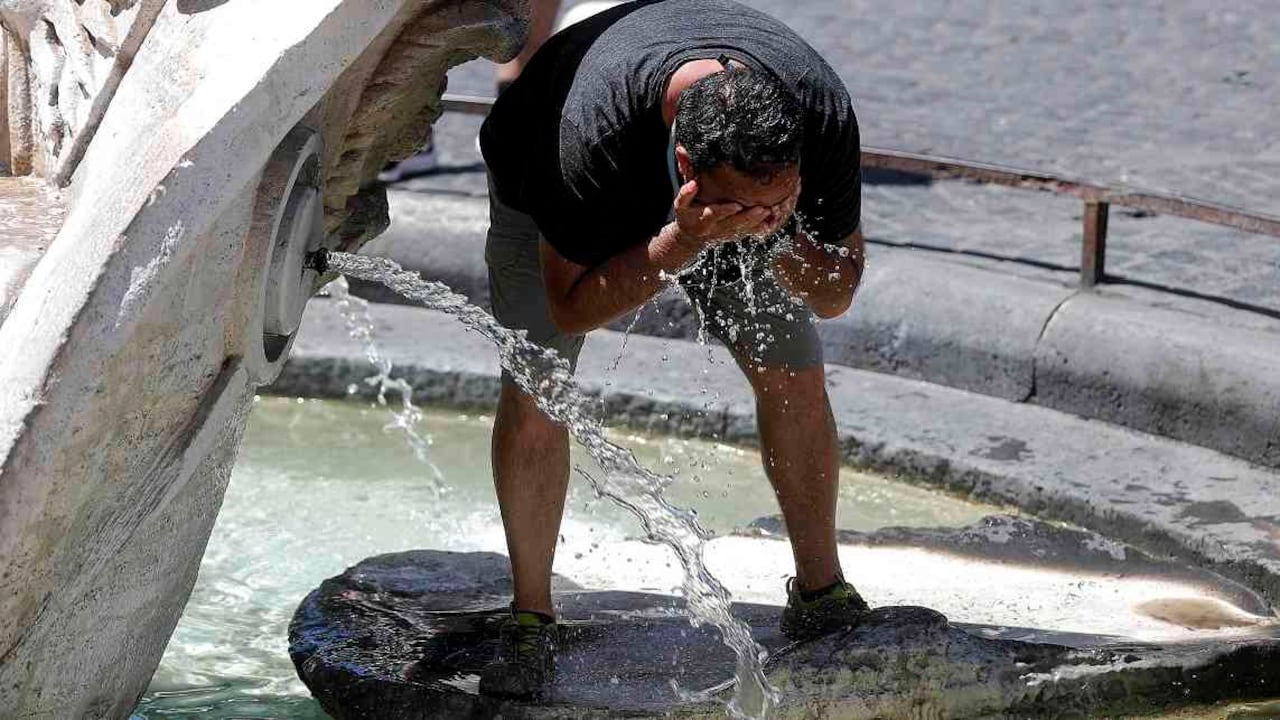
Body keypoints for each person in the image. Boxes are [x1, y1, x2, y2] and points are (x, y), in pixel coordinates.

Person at [475, 0, 868, 699]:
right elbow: (573, 305)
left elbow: (835, 293)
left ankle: (822, 590)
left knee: (794, 374)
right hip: (548, 173)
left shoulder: (815, 111)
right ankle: (531, 614)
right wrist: (681, 241)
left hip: (703, 191)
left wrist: (774, 233)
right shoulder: (583, 136)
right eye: (744, 207)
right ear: (686, 164)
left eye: (779, 199)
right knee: (540, 386)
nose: (759, 216)